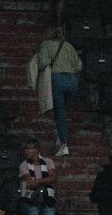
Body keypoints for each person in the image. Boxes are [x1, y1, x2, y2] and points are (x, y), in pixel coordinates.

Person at [27, 28, 81, 157]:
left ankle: (63, 145)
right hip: (73, 80)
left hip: (57, 79)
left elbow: (42, 63)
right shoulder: (69, 46)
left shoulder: (45, 45)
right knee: (62, 109)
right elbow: (79, 65)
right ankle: (61, 134)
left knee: (60, 112)